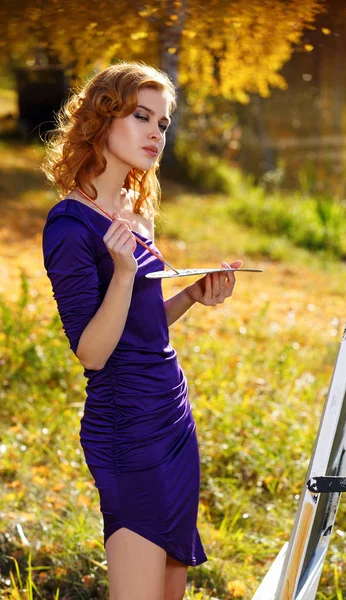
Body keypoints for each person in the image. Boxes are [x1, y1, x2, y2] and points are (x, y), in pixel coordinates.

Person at [41, 61, 243, 600]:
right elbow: (93, 352)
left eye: (163, 122)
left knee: (170, 591)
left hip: (171, 413)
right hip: (127, 424)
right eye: (141, 116)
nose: (157, 132)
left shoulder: (134, 209)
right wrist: (127, 271)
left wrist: (193, 297)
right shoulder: (69, 225)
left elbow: (139, 325)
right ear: (103, 119)